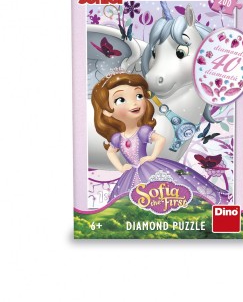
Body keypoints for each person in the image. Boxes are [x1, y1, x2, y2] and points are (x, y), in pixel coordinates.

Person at [91, 71, 229, 203]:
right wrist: (121, 168)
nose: (134, 103)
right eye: (121, 100)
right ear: (107, 112)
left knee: (167, 190)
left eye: (139, 96)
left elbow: (160, 139)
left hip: (150, 167)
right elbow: (110, 152)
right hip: (131, 173)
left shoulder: (142, 131)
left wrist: (151, 157)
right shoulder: (118, 138)